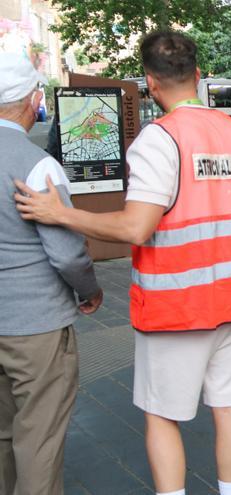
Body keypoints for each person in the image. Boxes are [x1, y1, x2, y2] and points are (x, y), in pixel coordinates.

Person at [15, 30, 231, 495]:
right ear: (197, 74)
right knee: (229, 406)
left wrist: (61, 214)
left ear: (150, 82)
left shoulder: (159, 138)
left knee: (162, 416)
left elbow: (136, 226)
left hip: (179, 305)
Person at [0, 49, 103, 495]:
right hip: (36, 326)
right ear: (33, 100)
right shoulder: (38, 165)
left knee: (3, 435)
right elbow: (66, 254)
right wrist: (89, 291)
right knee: (38, 439)